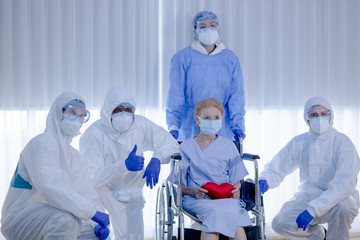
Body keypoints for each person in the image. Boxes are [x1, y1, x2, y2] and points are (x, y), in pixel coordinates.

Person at [1, 92, 110, 240]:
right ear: (58, 112)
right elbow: (49, 187)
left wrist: (96, 224)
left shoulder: (75, 156)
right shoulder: (41, 144)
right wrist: (92, 212)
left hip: (54, 217)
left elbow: (86, 193)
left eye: (82, 115)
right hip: (20, 217)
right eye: (72, 111)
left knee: (92, 234)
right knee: (66, 221)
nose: (77, 118)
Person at [79, 87, 179, 240]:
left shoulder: (140, 124)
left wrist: (157, 158)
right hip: (100, 194)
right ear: (108, 110)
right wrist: (123, 166)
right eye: (118, 109)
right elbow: (92, 178)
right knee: (94, 235)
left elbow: (171, 143)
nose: (124, 114)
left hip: (130, 195)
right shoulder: (93, 134)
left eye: (128, 109)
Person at [259, 96, 360, 240]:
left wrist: (313, 209)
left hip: (338, 198)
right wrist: (266, 179)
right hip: (308, 195)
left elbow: (344, 183)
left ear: (331, 116)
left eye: (324, 113)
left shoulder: (342, 142)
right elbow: (279, 164)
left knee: (345, 207)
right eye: (314, 115)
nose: (319, 118)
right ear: (307, 119)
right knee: (279, 223)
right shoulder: (300, 142)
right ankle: (319, 236)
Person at [168, 98, 251, 240]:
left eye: (216, 118)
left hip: (225, 196)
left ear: (221, 119)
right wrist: (193, 191)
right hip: (198, 198)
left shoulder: (228, 145)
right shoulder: (186, 147)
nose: (212, 121)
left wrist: (237, 189)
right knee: (218, 211)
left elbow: (237, 179)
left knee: (231, 211)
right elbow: (179, 184)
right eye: (207, 118)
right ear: (197, 119)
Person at [166, 10, 246, 141]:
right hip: (190, 127)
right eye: (202, 26)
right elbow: (176, 93)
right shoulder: (183, 57)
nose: (208, 29)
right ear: (195, 32)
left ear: (218, 28)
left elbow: (236, 95)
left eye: (212, 25)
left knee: (220, 158)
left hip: (222, 126)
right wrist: (174, 125)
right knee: (192, 158)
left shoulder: (229, 58)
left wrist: (237, 125)